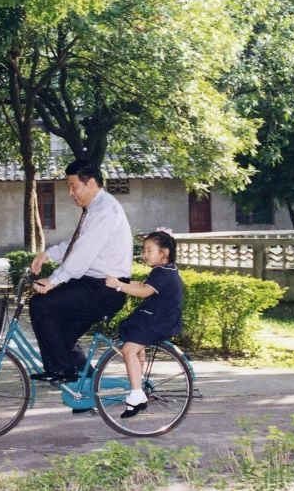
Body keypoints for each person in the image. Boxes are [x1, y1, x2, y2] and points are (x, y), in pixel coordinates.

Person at [29, 159, 132, 389]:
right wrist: (48, 254)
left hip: (106, 288)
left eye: (73, 186)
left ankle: (61, 370)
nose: (70, 192)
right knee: (60, 334)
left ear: (92, 183)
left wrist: (54, 281)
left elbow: (82, 254)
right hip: (95, 285)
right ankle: (87, 389)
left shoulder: (105, 210)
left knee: (41, 305)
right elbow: (77, 244)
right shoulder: (95, 208)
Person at [105, 230, 183, 418]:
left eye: (149, 250)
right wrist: (121, 281)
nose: (144, 254)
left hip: (159, 321)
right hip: (155, 317)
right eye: (144, 250)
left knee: (128, 350)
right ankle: (137, 386)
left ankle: (137, 393)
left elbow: (144, 292)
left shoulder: (163, 273)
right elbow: (141, 285)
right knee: (136, 343)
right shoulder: (165, 270)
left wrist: (119, 285)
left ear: (164, 253)